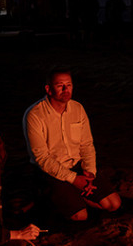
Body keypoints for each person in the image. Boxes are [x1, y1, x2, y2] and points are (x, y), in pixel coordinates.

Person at [23, 68, 122, 221]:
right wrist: (74, 179)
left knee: (113, 204)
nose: (65, 89)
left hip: (77, 165)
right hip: (51, 171)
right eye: (60, 85)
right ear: (48, 89)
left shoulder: (77, 109)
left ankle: (75, 196)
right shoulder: (35, 115)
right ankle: (51, 198)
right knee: (80, 216)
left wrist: (89, 173)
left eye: (68, 85)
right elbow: (42, 158)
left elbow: (87, 144)